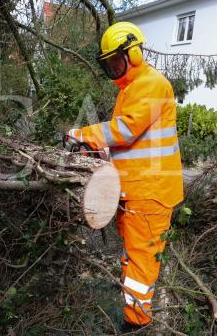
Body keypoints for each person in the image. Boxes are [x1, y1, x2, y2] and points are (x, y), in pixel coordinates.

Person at [65, 22, 184, 328]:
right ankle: (131, 305)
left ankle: (136, 322)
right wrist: (100, 153)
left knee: (142, 261)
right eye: (109, 64)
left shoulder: (151, 83)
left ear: (133, 53)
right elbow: (132, 143)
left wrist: (83, 134)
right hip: (138, 189)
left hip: (150, 192)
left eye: (117, 61)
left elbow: (126, 130)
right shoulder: (133, 87)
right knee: (134, 256)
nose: (114, 69)